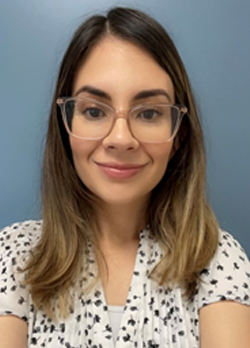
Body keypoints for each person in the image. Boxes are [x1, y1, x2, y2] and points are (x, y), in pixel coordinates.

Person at [0, 6, 250, 348]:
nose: (121, 139)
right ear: (66, 126)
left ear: (179, 136)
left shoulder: (217, 260)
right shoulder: (15, 256)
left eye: (148, 113)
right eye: (93, 110)